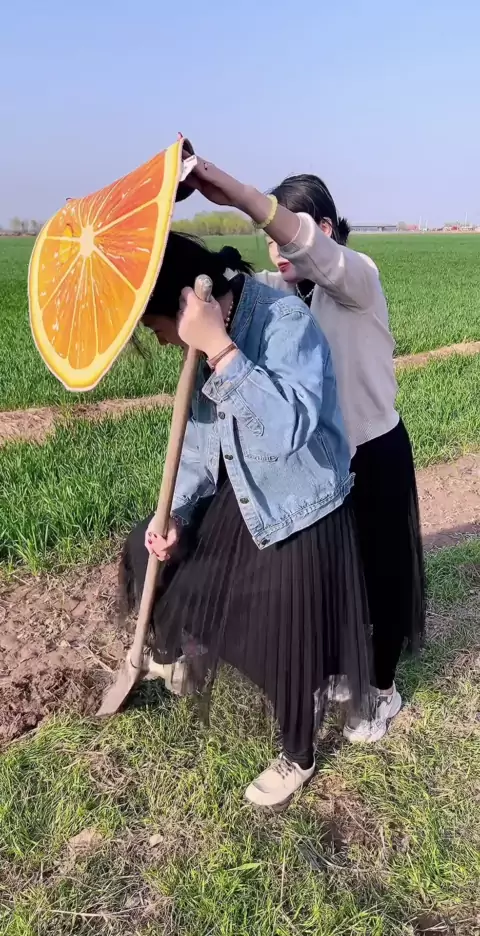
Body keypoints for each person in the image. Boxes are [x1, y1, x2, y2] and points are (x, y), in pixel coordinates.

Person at [120, 230, 372, 810]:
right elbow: (198, 448)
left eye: (155, 327)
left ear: (183, 306)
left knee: (276, 625)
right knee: (151, 548)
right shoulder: (199, 343)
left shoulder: (283, 321)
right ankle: (184, 654)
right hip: (245, 490)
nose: (159, 340)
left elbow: (290, 429)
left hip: (301, 502)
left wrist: (222, 351)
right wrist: (176, 513)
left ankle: (299, 754)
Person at [185, 159, 425, 743]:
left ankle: (383, 690)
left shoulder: (358, 280)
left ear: (323, 227)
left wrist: (239, 194)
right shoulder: (281, 294)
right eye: (267, 240)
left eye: (282, 233)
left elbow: (317, 254)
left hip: (375, 452)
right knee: (338, 578)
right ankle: (343, 667)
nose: (276, 249)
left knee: (385, 575)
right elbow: (229, 285)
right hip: (320, 465)